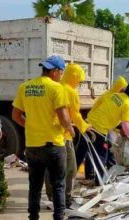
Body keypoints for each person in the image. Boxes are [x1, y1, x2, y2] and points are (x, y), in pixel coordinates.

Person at [12, 55, 75, 220]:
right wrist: (70, 128)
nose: (61, 76)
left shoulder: (26, 87)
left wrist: (32, 125)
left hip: (32, 146)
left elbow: (16, 115)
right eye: (61, 72)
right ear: (55, 71)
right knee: (58, 187)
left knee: (34, 188)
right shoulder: (56, 88)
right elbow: (64, 118)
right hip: (54, 145)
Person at [45, 63, 90, 208]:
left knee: (51, 166)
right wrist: (85, 127)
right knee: (71, 168)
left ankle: (52, 195)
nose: (79, 83)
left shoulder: (55, 86)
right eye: (79, 80)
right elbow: (75, 114)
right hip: (64, 135)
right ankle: (66, 197)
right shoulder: (70, 92)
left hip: (49, 133)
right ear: (74, 77)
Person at [77, 81, 129, 183]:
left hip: (88, 124)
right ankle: (100, 182)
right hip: (100, 130)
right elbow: (126, 125)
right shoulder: (127, 105)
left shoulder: (113, 95)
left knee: (82, 153)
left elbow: (104, 108)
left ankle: (70, 181)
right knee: (101, 155)